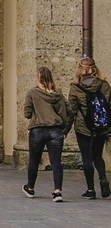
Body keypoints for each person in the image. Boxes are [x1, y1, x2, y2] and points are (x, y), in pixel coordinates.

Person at [65, 58, 111, 199]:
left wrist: (65, 130)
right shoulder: (104, 85)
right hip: (101, 126)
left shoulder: (75, 87)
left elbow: (71, 111)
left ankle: (90, 189)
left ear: (80, 69)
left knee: (87, 157)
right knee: (98, 156)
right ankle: (103, 178)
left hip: (83, 127)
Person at [22, 67, 67, 202]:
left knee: (34, 161)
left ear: (38, 78)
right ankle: (57, 191)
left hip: (38, 130)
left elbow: (27, 113)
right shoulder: (58, 95)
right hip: (56, 130)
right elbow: (66, 112)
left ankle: (30, 188)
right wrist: (64, 129)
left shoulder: (32, 92)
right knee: (56, 162)